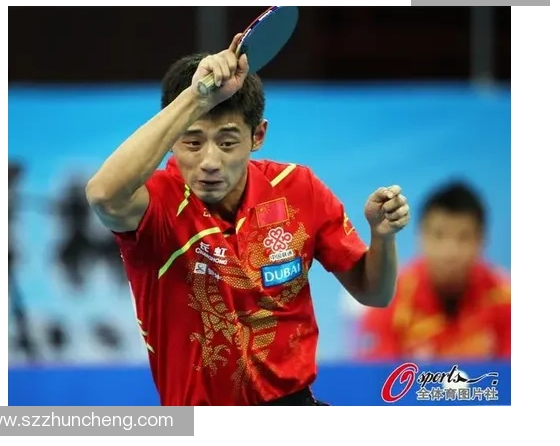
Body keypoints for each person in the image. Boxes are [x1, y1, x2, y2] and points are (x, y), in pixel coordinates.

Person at [85, 34, 411, 406]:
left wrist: (383, 237)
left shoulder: (298, 188)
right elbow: (102, 194)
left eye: (227, 143)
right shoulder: (156, 205)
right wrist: (196, 98)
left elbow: (375, 293)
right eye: (192, 142)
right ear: (172, 138)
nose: (209, 162)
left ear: (258, 136)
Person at [355, 181, 510, 362]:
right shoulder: (391, 301)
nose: (450, 251)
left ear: (482, 240)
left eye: (463, 237)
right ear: (420, 236)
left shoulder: (505, 300)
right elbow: (377, 377)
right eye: (438, 235)